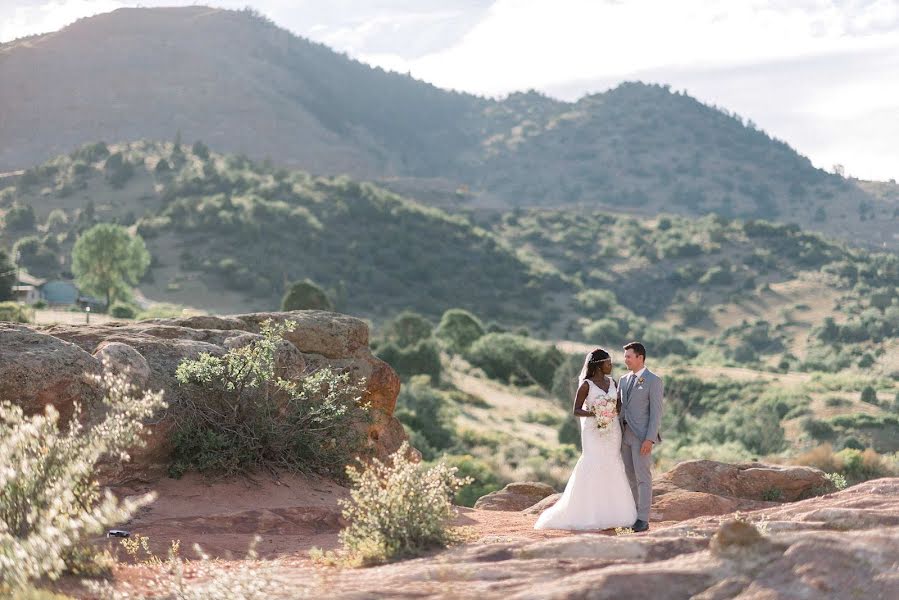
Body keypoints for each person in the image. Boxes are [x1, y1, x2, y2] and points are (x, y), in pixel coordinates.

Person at [534, 348, 637, 530]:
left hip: (612, 431)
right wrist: (596, 413)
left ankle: (615, 513)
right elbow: (576, 410)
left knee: (613, 463)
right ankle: (588, 513)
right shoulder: (587, 385)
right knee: (593, 463)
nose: (611, 366)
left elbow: (618, 407)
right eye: (608, 363)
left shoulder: (613, 382)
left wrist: (613, 410)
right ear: (598, 365)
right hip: (593, 432)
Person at [618, 341, 663, 533]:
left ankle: (643, 519)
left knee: (643, 477)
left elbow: (656, 413)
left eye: (629, 356)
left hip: (641, 437)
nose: (625, 359)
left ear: (640, 358)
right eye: (625, 356)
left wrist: (649, 439)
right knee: (629, 477)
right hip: (623, 436)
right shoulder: (623, 379)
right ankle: (633, 516)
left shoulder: (654, 380)